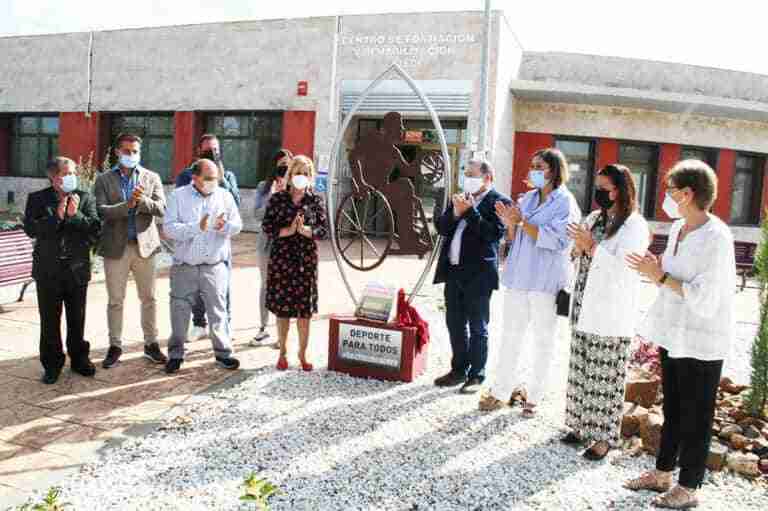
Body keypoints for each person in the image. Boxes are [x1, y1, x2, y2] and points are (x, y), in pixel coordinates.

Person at [624, 160, 735, 509]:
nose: (666, 197)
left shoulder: (716, 238)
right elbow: (671, 277)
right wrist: (655, 269)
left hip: (702, 338)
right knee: (672, 406)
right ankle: (662, 473)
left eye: (671, 190)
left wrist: (658, 276)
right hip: (675, 334)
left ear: (687, 194)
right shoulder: (678, 229)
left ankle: (689, 486)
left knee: (697, 413)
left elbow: (705, 296)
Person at [481, 148, 580, 416]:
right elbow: (514, 239)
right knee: (510, 336)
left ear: (554, 170)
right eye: (533, 165)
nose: (534, 170)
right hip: (519, 277)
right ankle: (500, 391)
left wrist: (521, 222)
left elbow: (559, 240)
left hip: (545, 282)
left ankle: (534, 397)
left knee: (542, 341)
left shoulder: (565, 202)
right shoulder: (527, 198)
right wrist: (510, 224)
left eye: (540, 166)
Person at [563, 164, 649, 460]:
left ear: (621, 190)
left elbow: (626, 267)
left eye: (605, 188)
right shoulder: (595, 217)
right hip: (584, 302)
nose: (600, 193)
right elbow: (577, 253)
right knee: (581, 369)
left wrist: (592, 246)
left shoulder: (634, 225)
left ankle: (603, 438)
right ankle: (579, 426)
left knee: (605, 376)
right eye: (597, 187)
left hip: (611, 312)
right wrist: (578, 245)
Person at [432, 159, 511, 394]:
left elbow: (492, 235)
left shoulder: (500, 201)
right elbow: (443, 229)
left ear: (487, 177)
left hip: (478, 275)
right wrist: (455, 213)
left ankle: (476, 375)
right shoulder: (461, 197)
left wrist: (470, 213)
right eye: (465, 173)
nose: (467, 177)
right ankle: (458, 370)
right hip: (453, 272)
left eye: (472, 173)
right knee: (455, 324)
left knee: (478, 326)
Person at [23, 157, 101, 384]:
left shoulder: (85, 198)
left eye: (74, 172)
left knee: (77, 318)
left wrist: (75, 216)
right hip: (48, 271)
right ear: (54, 177)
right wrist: (56, 216)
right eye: (68, 173)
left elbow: (95, 231)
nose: (72, 177)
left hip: (76, 270)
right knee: (49, 320)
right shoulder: (37, 199)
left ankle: (79, 359)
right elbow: (31, 229)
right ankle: (52, 364)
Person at [94, 133, 168, 369]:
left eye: (135, 151)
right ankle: (115, 346)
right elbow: (102, 211)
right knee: (116, 300)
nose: (131, 155)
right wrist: (127, 206)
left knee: (149, 298)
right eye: (126, 151)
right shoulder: (104, 179)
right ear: (117, 152)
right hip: (116, 248)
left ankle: (151, 344)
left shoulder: (151, 177)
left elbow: (162, 209)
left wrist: (142, 200)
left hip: (144, 247)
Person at [163, 158, 243, 373]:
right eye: (208, 178)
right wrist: (196, 227)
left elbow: (238, 225)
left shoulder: (224, 196)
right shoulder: (177, 196)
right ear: (195, 177)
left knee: (218, 312)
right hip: (185, 266)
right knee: (179, 312)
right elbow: (169, 229)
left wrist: (224, 226)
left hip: (214, 266)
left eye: (216, 178)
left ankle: (223, 353)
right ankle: (176, 354)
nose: (213, 182)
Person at [262, 155, 327, 371]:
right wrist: (288, 231)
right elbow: (267, 227)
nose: (302, 177)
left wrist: (307, 231)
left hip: (305, 260)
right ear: (290, 175)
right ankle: (282, 353)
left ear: (311, 177)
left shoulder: (315, 201)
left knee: (304, 310)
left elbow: (323, 230)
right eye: (298, 172)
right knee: (283, 310)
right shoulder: (277, 199)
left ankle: (303, 353)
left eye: (306, 173)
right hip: (282, 259)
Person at [175, 134, 241, 340]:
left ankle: (225, 325)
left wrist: (219, 176)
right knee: (196, 286)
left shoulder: (227, 175)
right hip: (194, 239)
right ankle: (199, 323)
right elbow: (180, 202)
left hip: (219, 241)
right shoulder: (187, 175)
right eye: (208, 150)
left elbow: (236, 203)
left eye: (215, 150)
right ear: (198, 151)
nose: (212, 153)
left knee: (222, 286)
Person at [251, 148, 292, 347]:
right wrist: (272, 196)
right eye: (281, 166)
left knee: (284, 286)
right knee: (266, 285)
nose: (284, 170)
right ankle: (263, 328)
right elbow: (257, 215)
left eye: (288, 165)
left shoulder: (297, 189)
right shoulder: (263, 187)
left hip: (288, 244)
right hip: (266, 243)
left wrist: (287, 193)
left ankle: (282, 332)